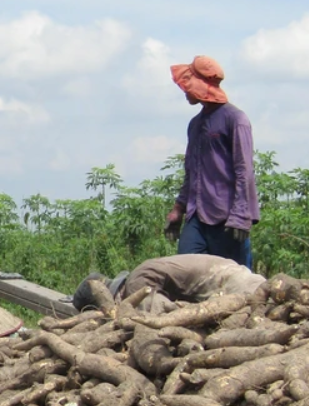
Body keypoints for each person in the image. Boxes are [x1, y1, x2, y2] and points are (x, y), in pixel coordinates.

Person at [164, 55, 259, 266]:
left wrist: (241, 215)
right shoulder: (195, 124)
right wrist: (178, 209)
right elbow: (191, 173)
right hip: (196, 214)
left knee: (237, 281)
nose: (185, 91)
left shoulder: (235, 119)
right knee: (184, 273)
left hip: (227, 217)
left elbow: (244, 170)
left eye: (188, 85)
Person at [73, 254, 265, 315]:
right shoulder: (143, 272)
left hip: (237, 287)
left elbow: (162, 315)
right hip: (239, 278)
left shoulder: (136, 284)